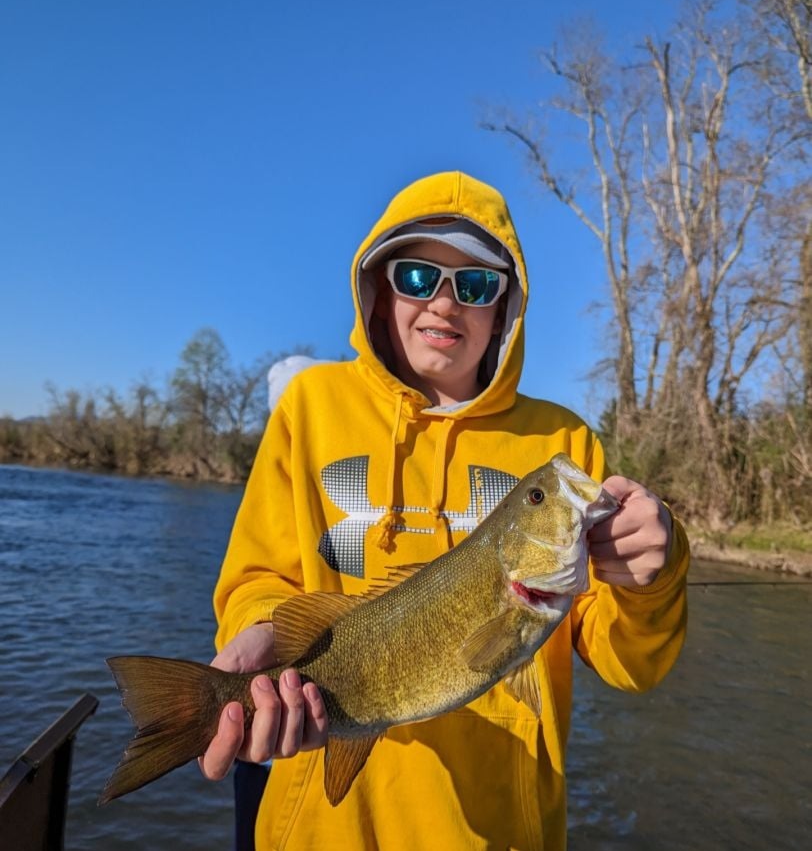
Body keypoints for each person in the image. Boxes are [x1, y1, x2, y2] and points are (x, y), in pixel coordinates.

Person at [201, 170, 690, 850]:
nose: (444, 303)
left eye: (476, 284)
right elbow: (259, 577)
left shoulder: (563, 443)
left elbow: (629, 663)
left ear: (504, 307)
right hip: (320, 825)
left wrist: (651, 577)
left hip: (500, 832)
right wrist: (261, 629)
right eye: (417, 276)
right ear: (380, 289)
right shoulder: (310, 407)